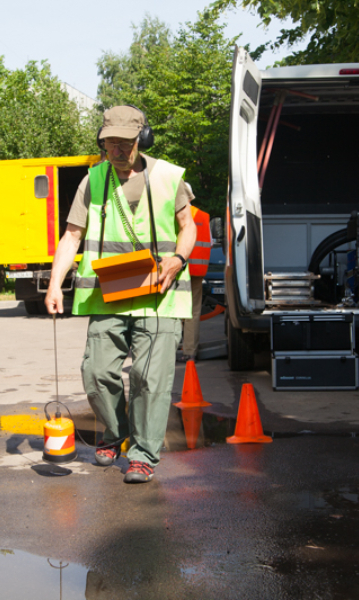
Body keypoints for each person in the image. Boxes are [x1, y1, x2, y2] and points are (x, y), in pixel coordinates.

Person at [45, 105, 196, 484]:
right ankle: (115, 432)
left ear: (142, 140)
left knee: (150, 378)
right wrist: (53, 283)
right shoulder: (93, 180)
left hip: (159, 294)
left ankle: (143, 455)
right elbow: (72, 236)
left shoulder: (167, 177)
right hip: (107, 294)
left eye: (125, 143)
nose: (116, 150)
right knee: (96, 373)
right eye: (109, 141)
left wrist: (178, 258)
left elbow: (187, 226)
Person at [178, 190, 210, 363]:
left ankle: (173, 345)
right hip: (197, 270)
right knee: (193, 310)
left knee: (173, 308)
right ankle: (190, 351)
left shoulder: (174, 214)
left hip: (177, 268)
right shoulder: (204, 216)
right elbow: (209, 243)